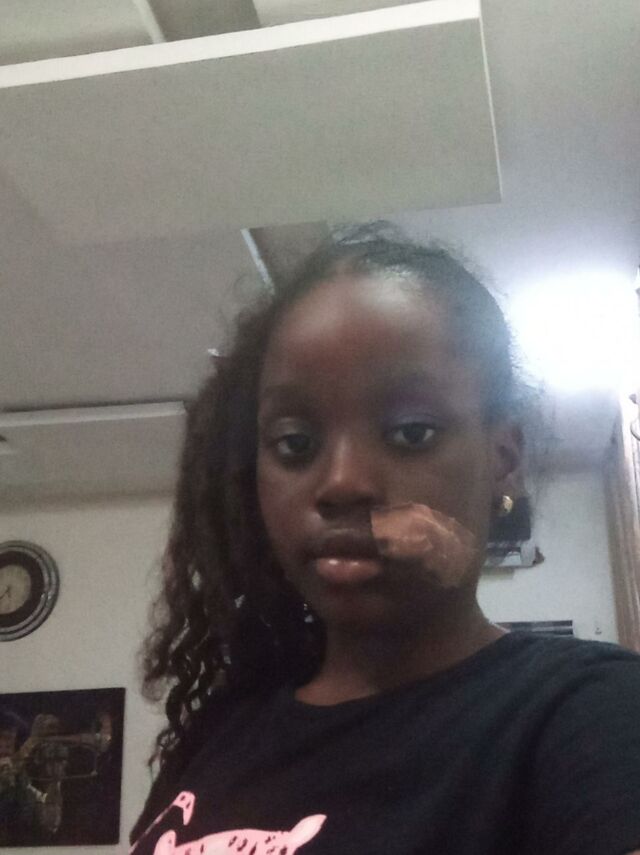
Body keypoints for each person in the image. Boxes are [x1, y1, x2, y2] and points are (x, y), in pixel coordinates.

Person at [130, 228, 640, 855]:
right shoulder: (219, 732)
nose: (343, 482)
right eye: (295, 444)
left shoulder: (592, 715)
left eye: (411, 432)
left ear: (503, 460)